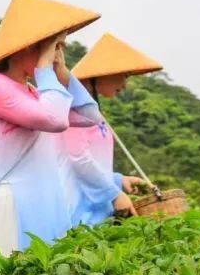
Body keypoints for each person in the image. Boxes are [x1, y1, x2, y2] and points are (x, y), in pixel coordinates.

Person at [0, 0, 103, 256]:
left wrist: (62, 72)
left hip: (48, 202)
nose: (55, 54)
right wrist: (45, 69)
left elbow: (91, 117)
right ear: (30, 46)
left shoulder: (34, 92)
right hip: (14, 206)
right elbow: (54, 120)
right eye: (53, 46)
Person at [66, 33, 163, 225]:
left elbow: (94, 160)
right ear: (104, 72)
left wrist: (119, 180)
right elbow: (77, 159)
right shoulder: (73, 108)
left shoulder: (93, 110)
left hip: (96, 210)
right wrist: (112, 194)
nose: (126, 85)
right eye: (125, 75)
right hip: (78, 212)